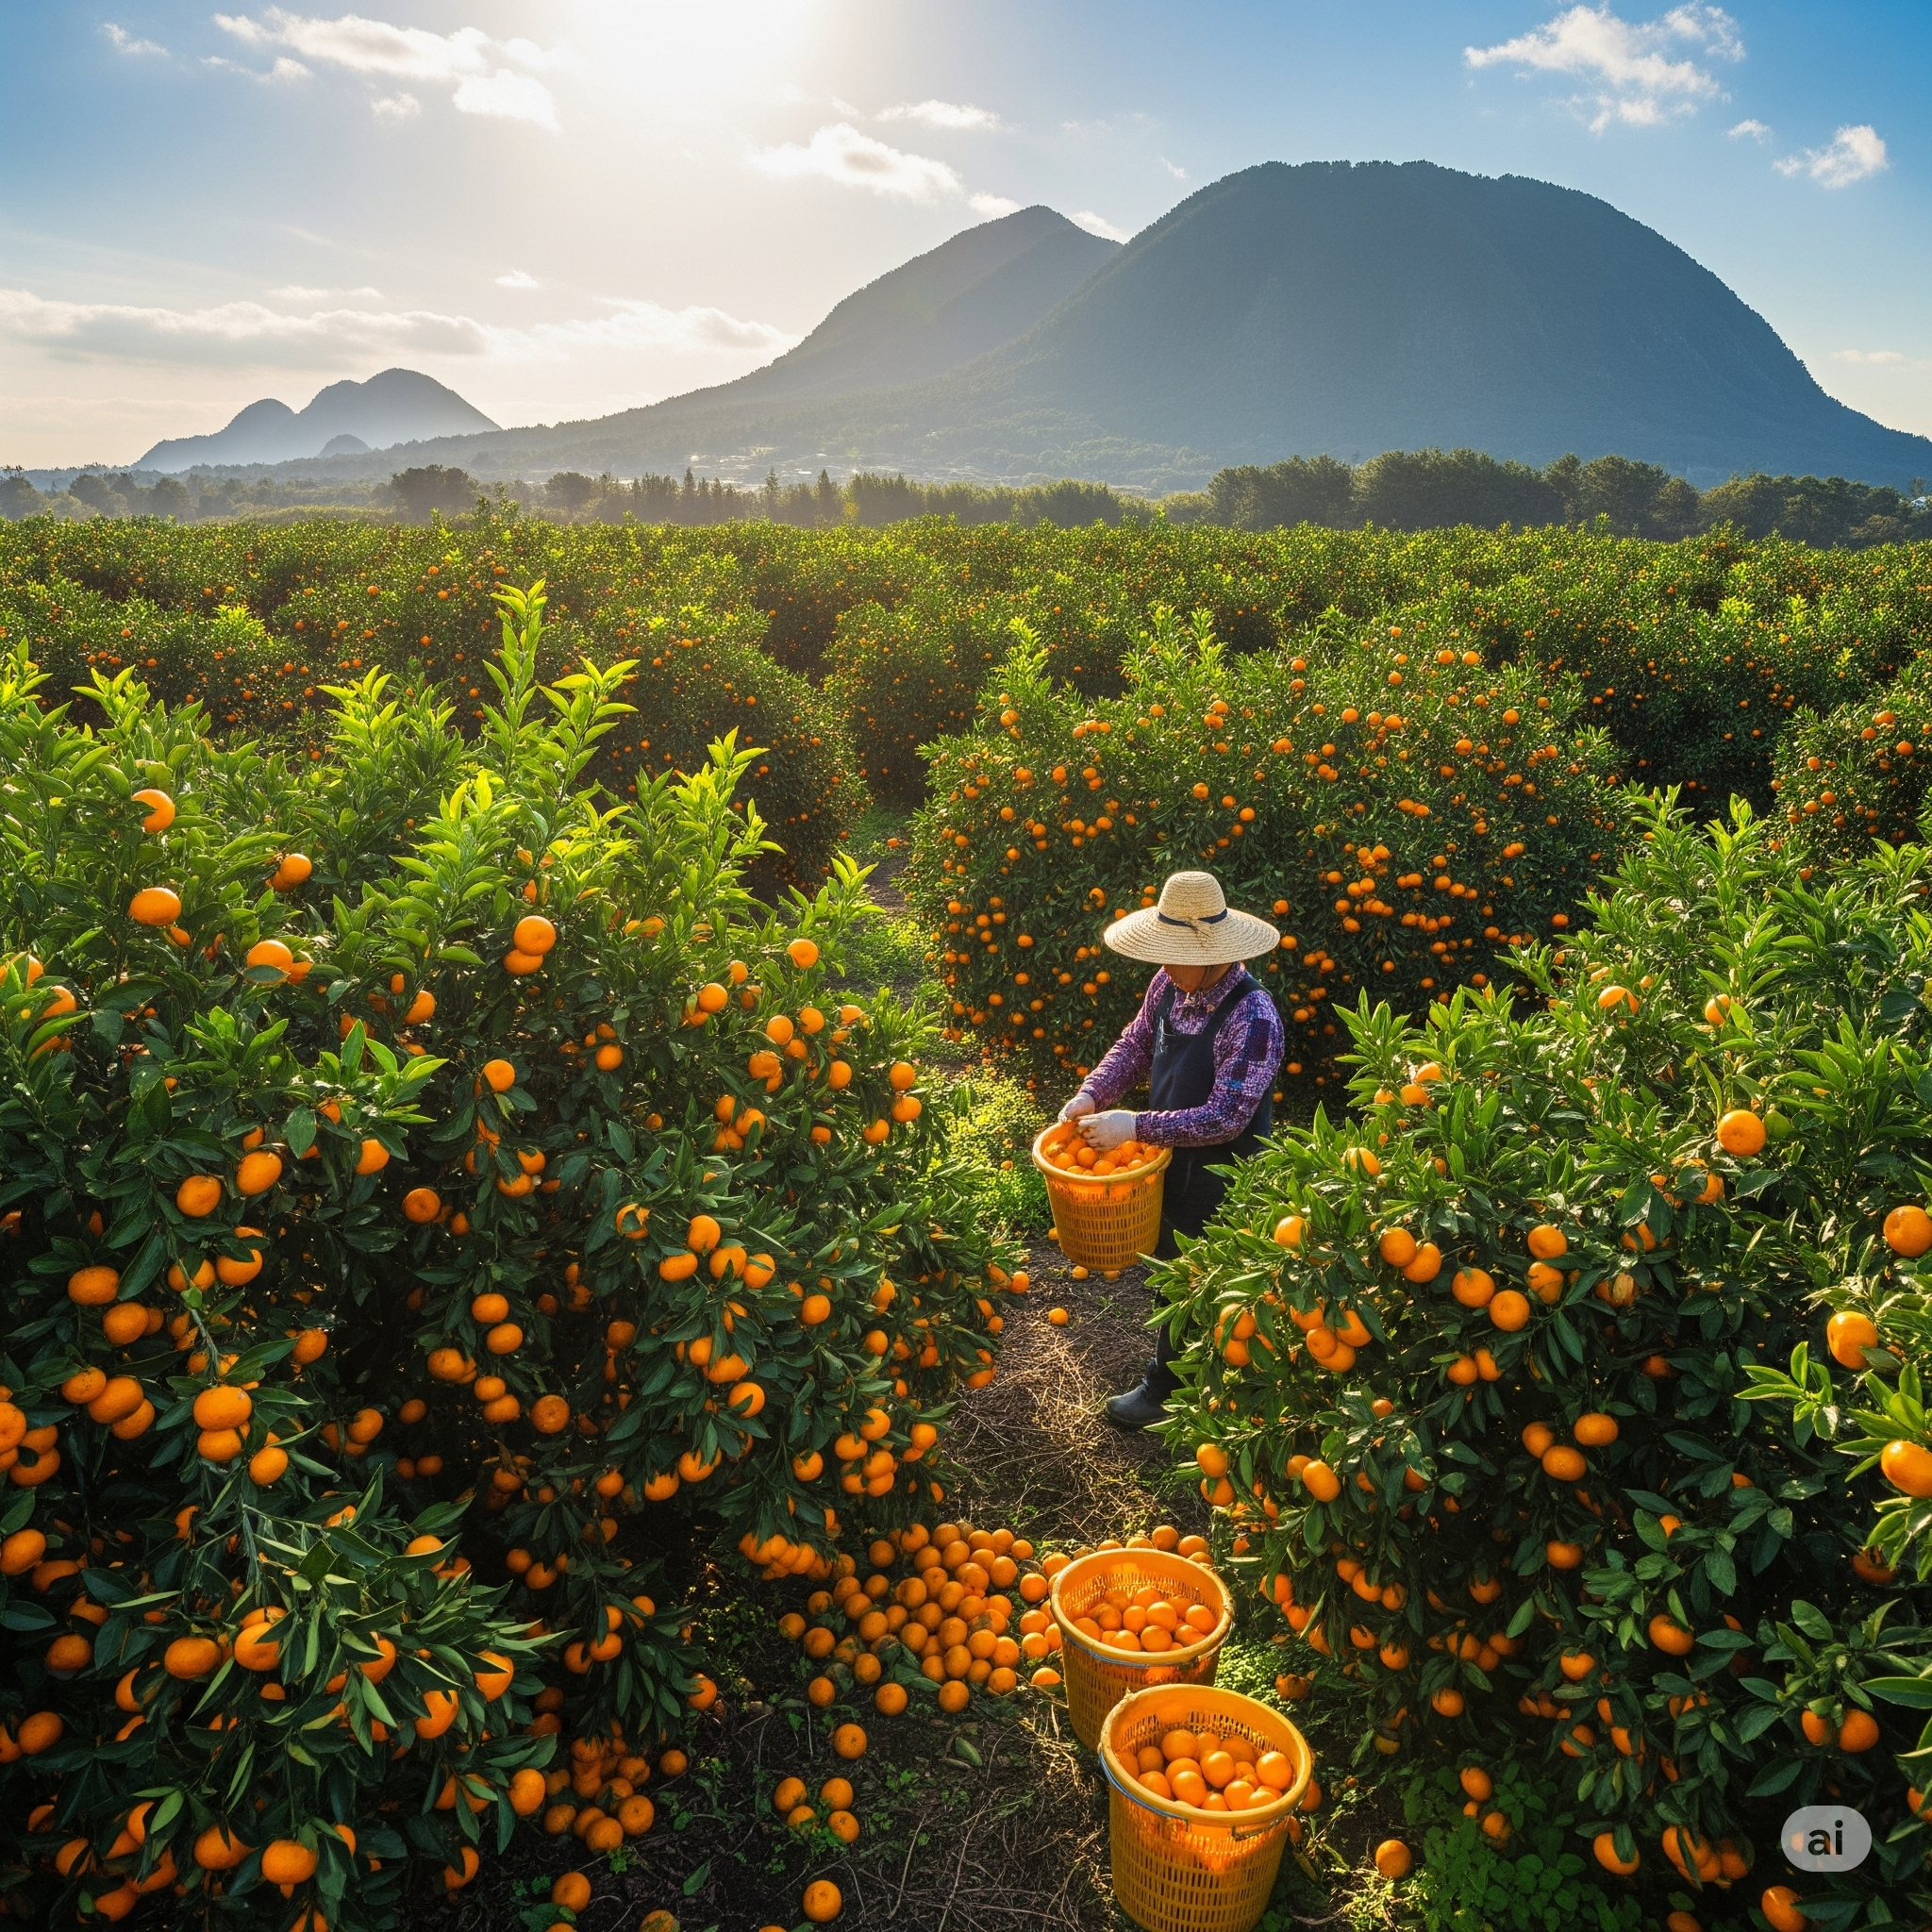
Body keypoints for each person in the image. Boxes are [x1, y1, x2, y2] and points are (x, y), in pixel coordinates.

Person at [1059, 870, 1284, 1429]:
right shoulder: (1169, 984)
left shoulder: (1253, 1017)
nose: (1165, 963)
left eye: (1176, 954)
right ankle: (1190, 1384)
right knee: (1172, 1274)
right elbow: (1136, 1044)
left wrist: (1134, 1126)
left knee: (1202, 1281)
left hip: (1224, 1175)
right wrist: (1093, 1093)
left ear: (1214, 955)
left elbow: (1227, 1117)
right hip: (1166, 1162)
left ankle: (1169, 1392)